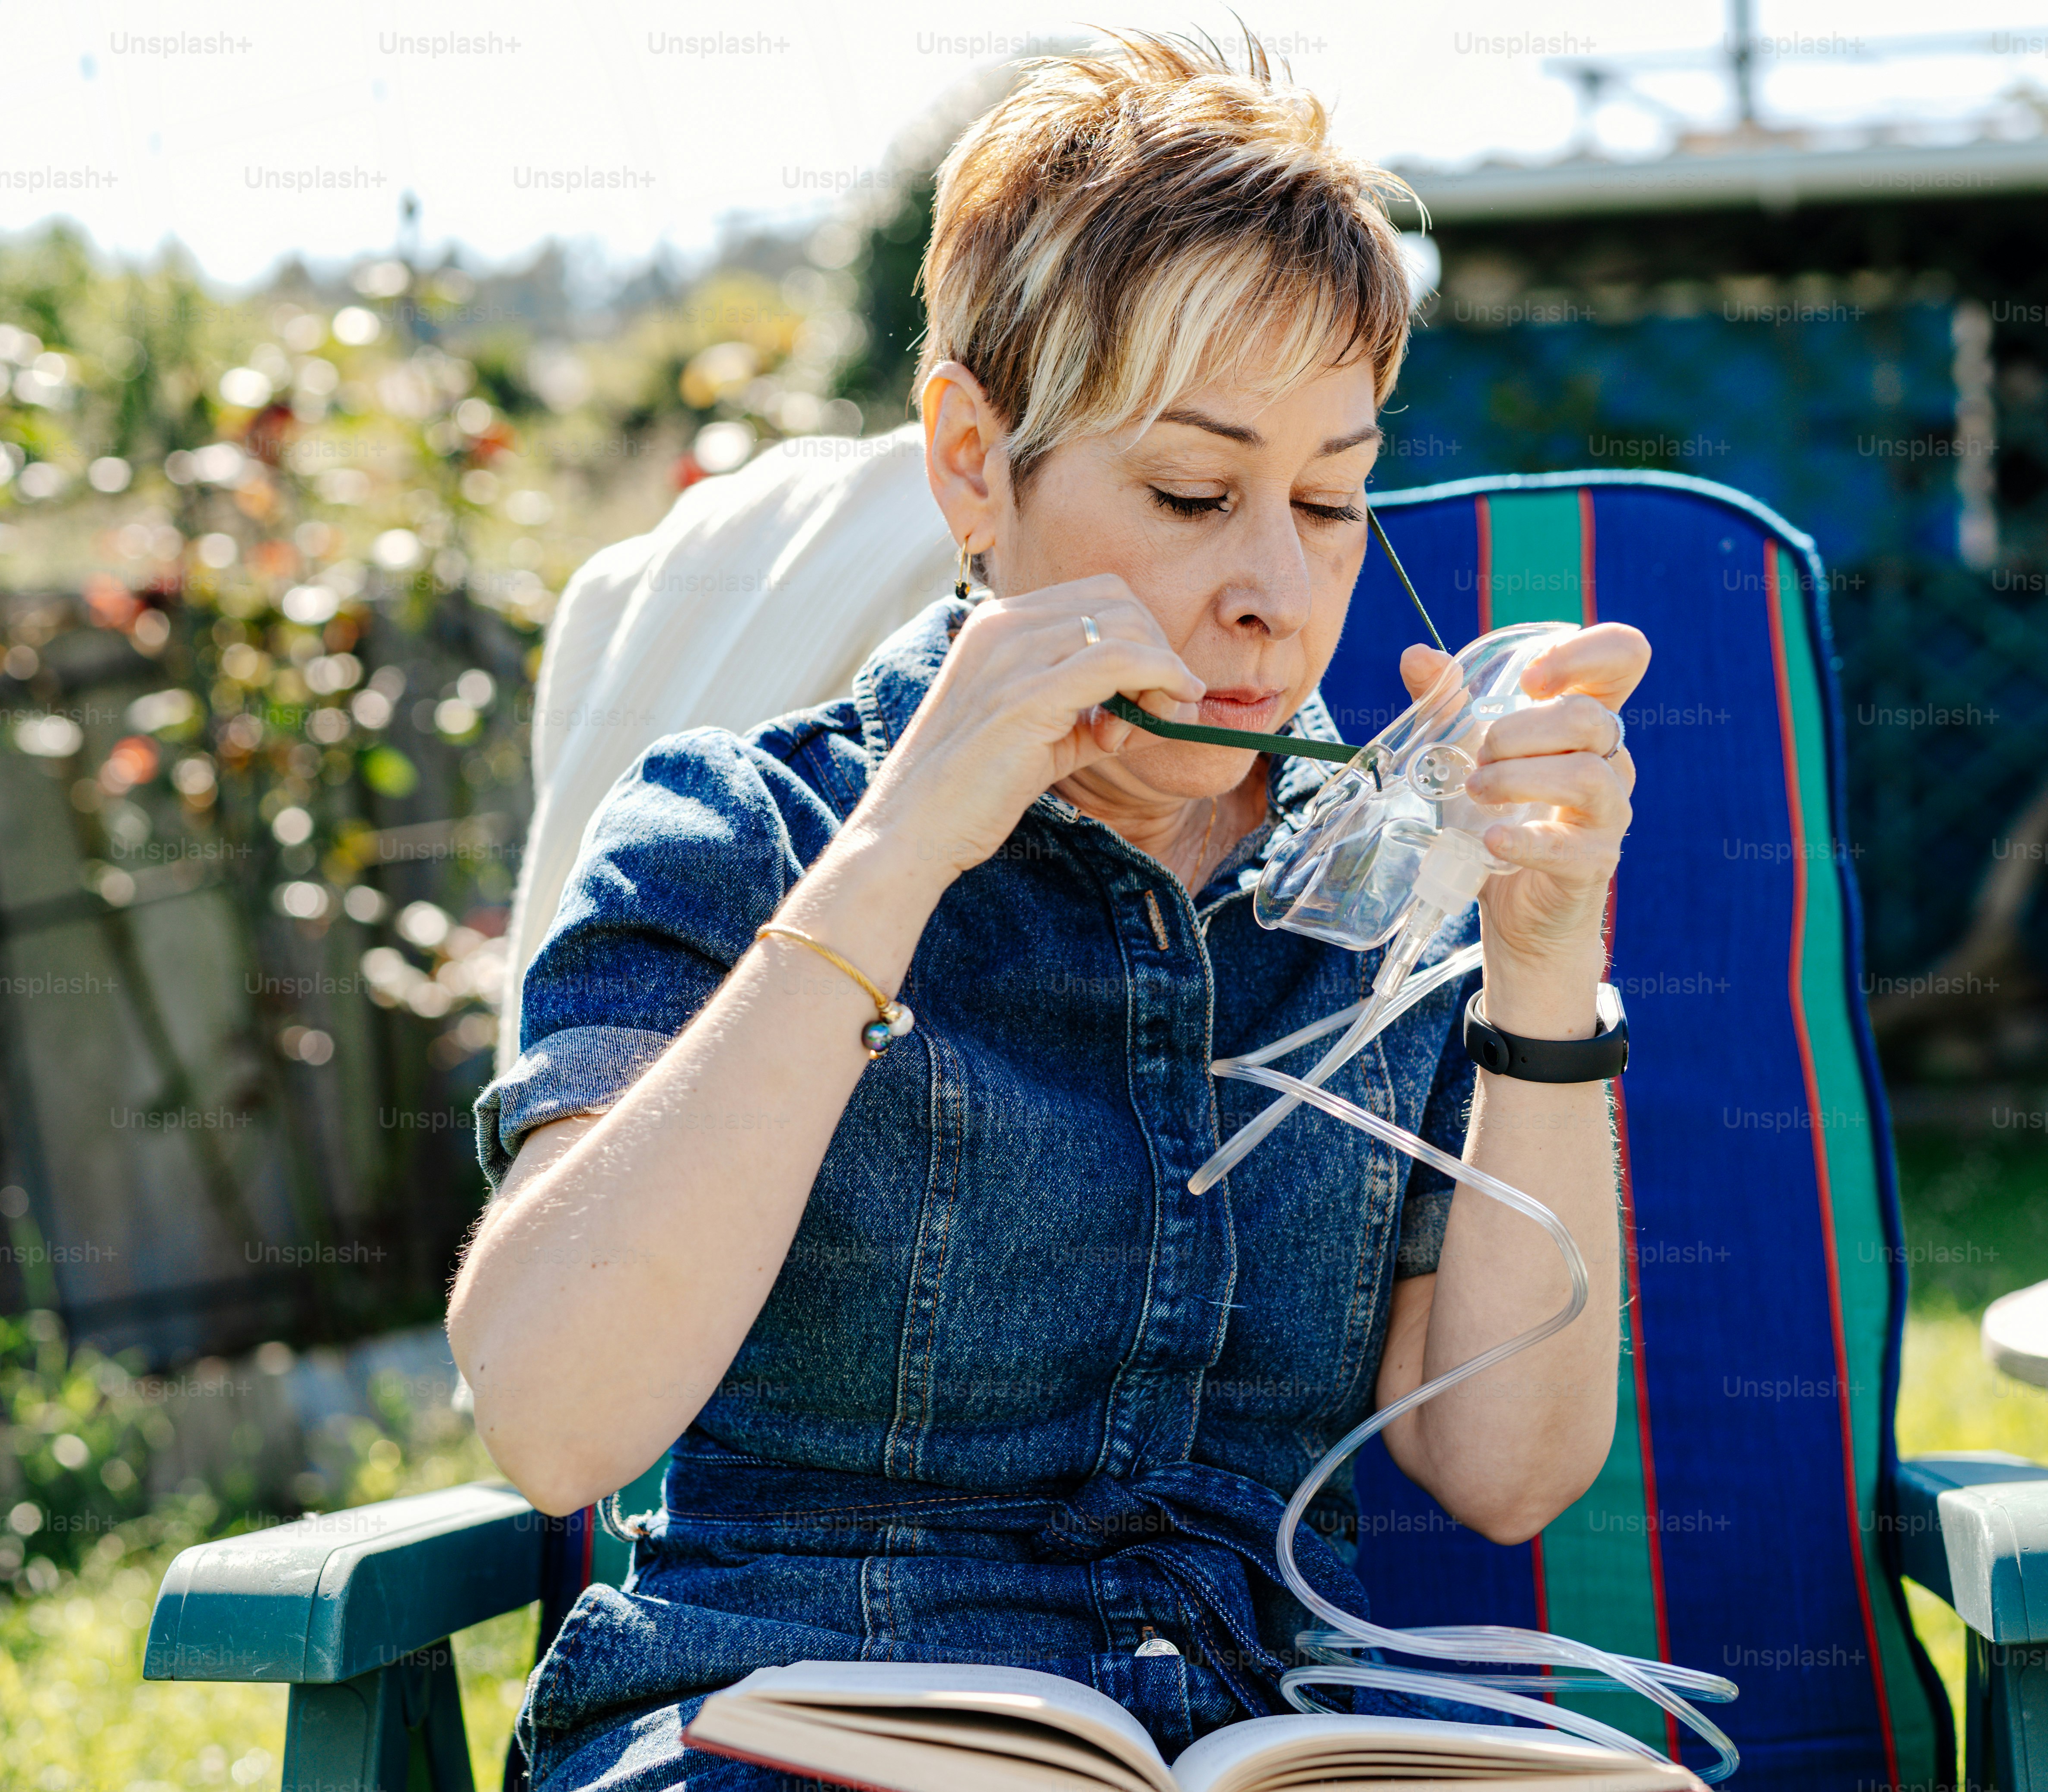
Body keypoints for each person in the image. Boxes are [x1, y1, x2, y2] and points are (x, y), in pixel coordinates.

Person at [448, 32, 1650, 1790]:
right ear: (969, 462)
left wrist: (1544, 964)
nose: (1273, 595)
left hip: (1243, 1736)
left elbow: (1509, 1463)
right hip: (780, 1725)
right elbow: (553, 1416)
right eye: (1189, 493)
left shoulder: (1368, 897)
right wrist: (898, 853)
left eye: (1329, 500)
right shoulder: (739, 828)